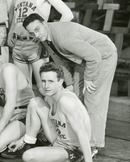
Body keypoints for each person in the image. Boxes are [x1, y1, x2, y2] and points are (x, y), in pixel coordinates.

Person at [23, 13, 117, 150]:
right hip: (84, 58)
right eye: (32, 33)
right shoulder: (45, 37)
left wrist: (89, 79)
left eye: (37, 29)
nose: (36, 35)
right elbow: (60, 62)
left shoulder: (63, 38)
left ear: (44, 23)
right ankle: (77, 140)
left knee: (93, 98)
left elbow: (94, 56)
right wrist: (71, 84)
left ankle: (93, 145)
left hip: (103, 55)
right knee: (75, 97)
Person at [4, 62, 108, 162]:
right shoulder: (50, 97)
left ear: (60, 82)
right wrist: (22, 140)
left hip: (73, 149)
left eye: (51, 81)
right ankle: (28, 142)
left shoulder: (67, 101)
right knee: (35, 102)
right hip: (58, 140)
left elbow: (82, 133)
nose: (46, 86)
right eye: (43, 81)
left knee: (28, 156)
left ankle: (75, 157)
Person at [8, 0, 74, 94]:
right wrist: (10, 33)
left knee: (44, 87)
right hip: (19, 45)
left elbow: (68, 14)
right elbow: (15, 17)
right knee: (22, 89)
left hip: (36, 44)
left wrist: (50, 35)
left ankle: (50, 115)